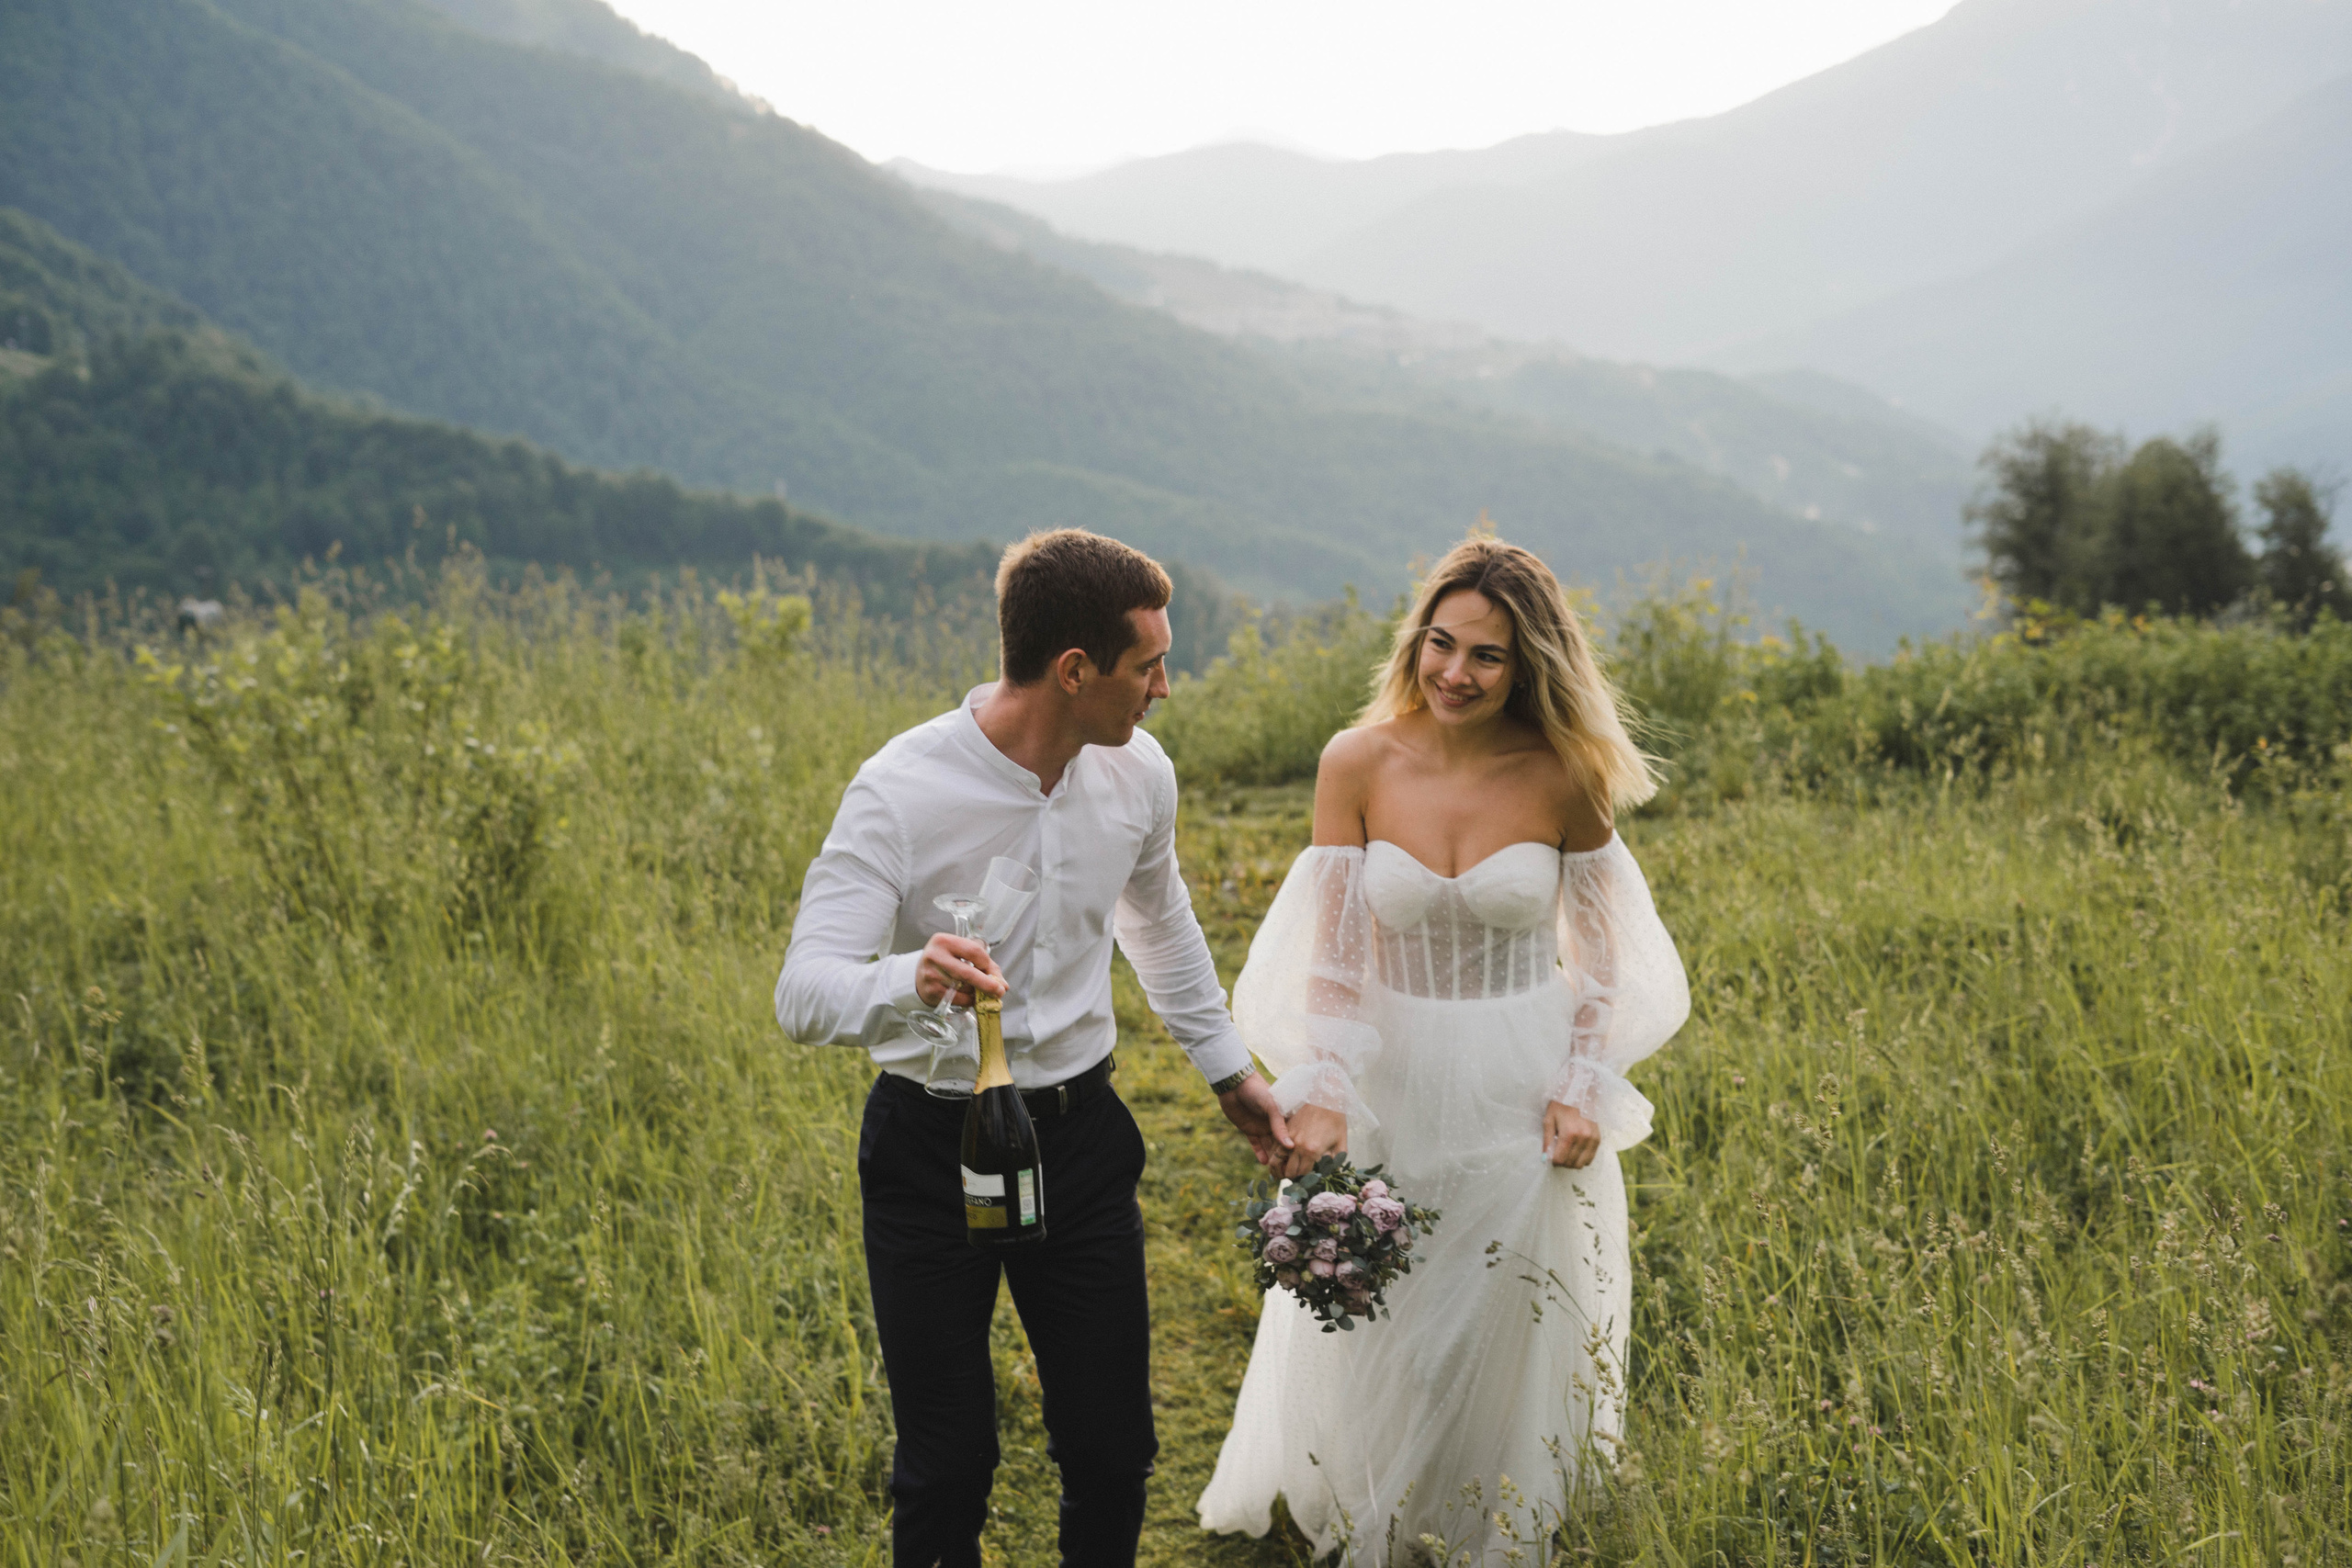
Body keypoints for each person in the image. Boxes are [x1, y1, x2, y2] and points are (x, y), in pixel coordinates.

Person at [775, 528, 1295, 1568]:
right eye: (1148, 665)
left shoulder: (1139, 774)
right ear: (1074, 670)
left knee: (1112, 1451)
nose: (1163, 688)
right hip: (930, 1151)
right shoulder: (899, 789)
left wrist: (1229, 1071)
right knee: (947, 1466)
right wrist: (907, 977)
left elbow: (1160, 925)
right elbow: (803, 991)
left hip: (1079, 1137)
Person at [1195, 535, 1690, 1561]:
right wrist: (1327, 1082)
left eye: (1487, 655)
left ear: (1528, 664)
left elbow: (1607, 959)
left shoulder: (1566, 773)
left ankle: (1490, 1506)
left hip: (1520, 1076)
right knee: (1390, 1294)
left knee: (1502, 1297)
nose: (1456, 672)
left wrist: (1583, 1083)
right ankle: (1376, 1490)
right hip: (1395, 1069)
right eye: (1442, 643)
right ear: (1416, 640)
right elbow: (1335, 954)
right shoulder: (1357, 761)